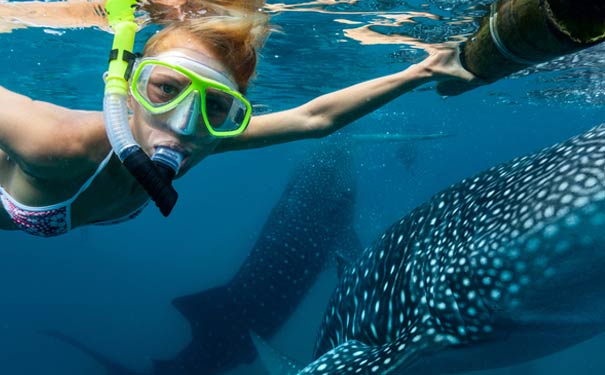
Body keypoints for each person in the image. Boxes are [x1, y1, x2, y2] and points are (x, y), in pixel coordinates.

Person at [0, 0, 477, 236]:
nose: (183, 126)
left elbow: (315, 118)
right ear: (126, 88)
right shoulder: (54, 142)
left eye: (215, 106)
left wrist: (424, 69)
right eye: (165, 89)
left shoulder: (208, 139)